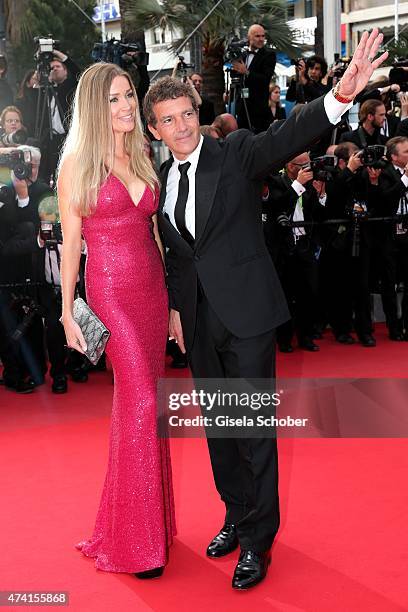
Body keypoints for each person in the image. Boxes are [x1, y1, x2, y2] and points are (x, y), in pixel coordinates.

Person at [144, 28, 387, 590]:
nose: (181, 126)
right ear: (155, 130)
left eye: (187, 114)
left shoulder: (234, 152)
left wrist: (339, 96)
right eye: (170, 120)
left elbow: (289, 133)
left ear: (198, 113)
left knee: (253, 428)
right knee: (221, 431)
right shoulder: (160, 181)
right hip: (200, 322)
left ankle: (259, 539)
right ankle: (235, 514)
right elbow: (180, 259)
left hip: (248, 317)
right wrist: (179, 314)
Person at [57, 63, 176, 576]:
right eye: (114, 99)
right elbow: (70, 245)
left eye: (129, 95)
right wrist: (65, 312)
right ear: (93, 107)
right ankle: (135, 545)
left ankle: (144, 525)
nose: (127, 106)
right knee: (142, 400)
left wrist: (171, 304)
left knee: (146, 404)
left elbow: (153, 235)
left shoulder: (143, 153)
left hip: (151, 289)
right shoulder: (77, 165)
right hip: (108, 292)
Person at [232, 23, 276, 133]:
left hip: (258, 109)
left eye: (263, 36)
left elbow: (265, 79)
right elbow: (236, 75)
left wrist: (246, 72)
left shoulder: (269, 55)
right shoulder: (243, 54)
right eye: (257, 36)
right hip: (242, 107)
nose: (261, 39)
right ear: (249, 37)